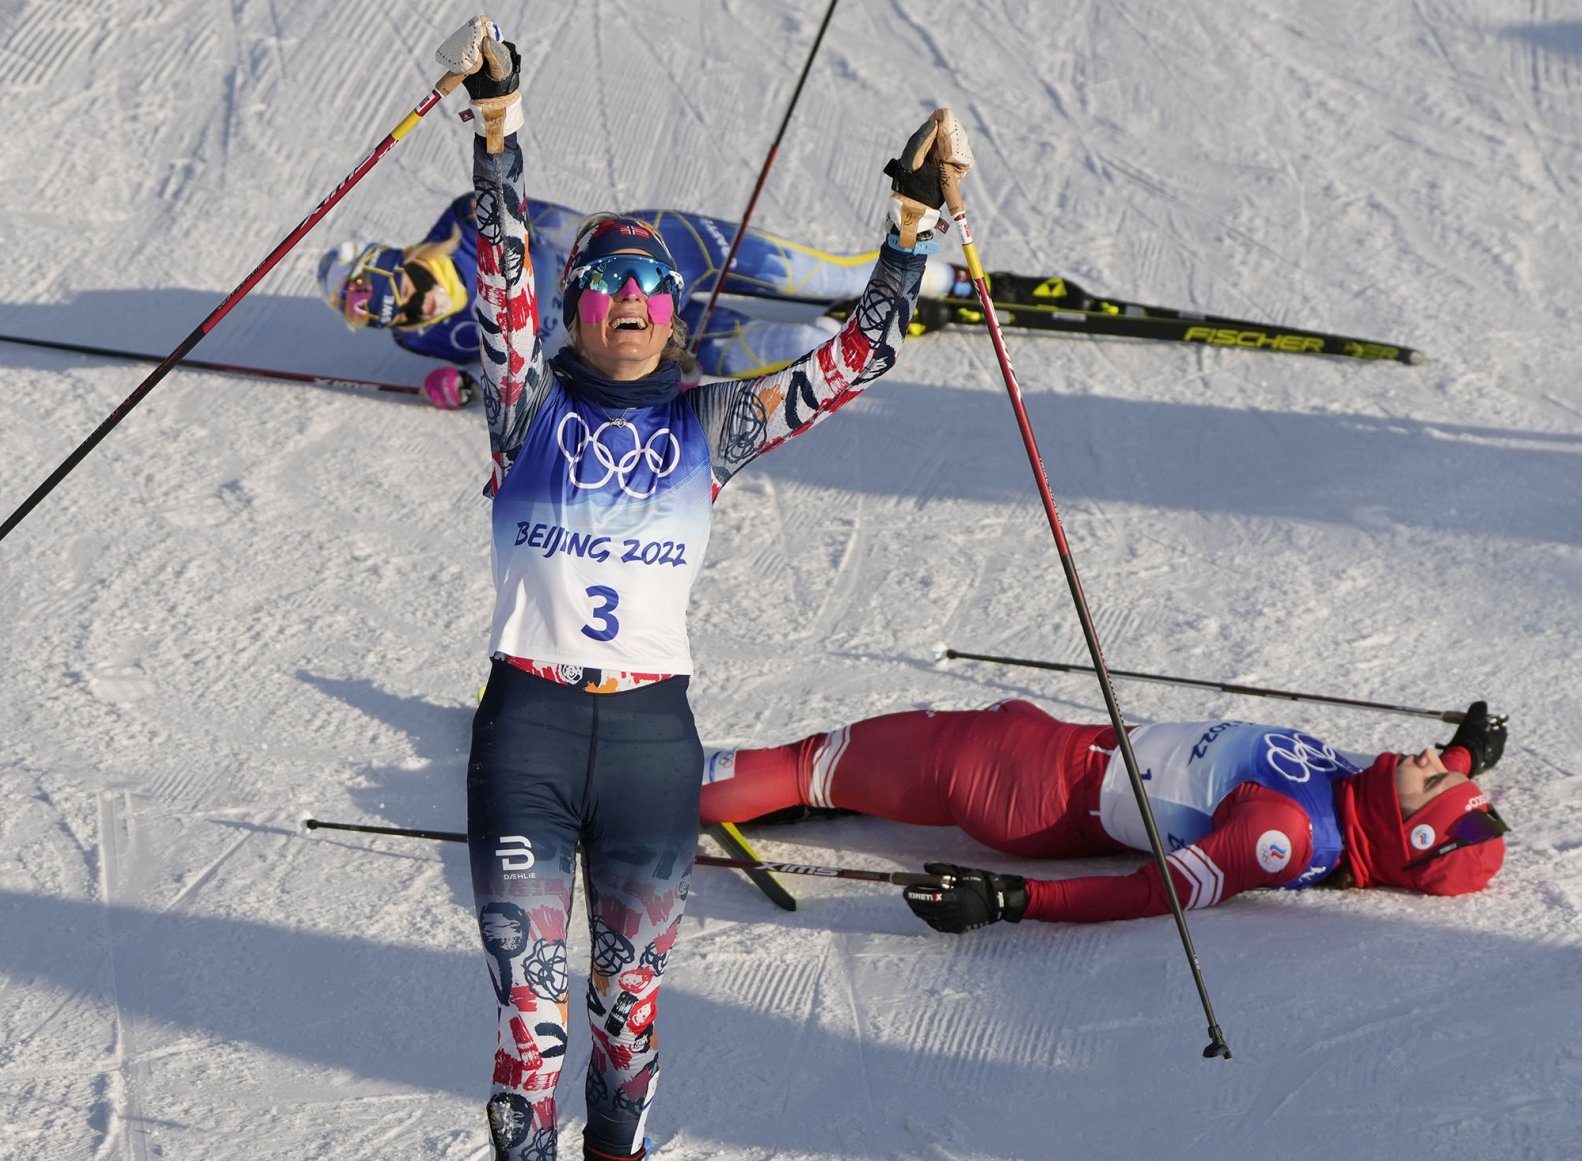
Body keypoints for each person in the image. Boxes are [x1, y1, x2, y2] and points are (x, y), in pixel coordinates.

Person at [440, 16, 973, 1161]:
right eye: (605, 281)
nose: (630, 295)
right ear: (576, 305)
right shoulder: (525, 410)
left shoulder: (709, 424)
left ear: (675, 314)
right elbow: (497, 277)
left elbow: (853, 360)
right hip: (526, 731)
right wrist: (497, 128)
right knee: (526, 1028)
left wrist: (910, 227)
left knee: (622, 1026)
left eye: (652, 282)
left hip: (646, 743)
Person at [698, 697, 1510, 930]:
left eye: (1439, 776)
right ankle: (810, 793)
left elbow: (1152, 891)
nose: (1434, 758)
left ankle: (626, 792)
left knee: (812, 760)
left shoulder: (1283, 834)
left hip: (1019, 780)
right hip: (1047, 746)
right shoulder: (1361, 793)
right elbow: (1438, 819)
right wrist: (1471, 755)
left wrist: (1011, 900)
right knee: (840, 766)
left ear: (1416, 831)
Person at [317, 182, 981, 405]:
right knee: (807, 345)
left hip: (656, 251)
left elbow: (566, 224)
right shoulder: (419, 335)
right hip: (627, 336)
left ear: (398, 258)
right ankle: (866, 323)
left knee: (825, 278)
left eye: (405, 290)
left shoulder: (468, 218)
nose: (415, 308)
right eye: (394, 317)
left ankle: (957, 282)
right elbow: (497, 366)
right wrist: (463, 387)